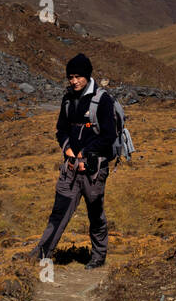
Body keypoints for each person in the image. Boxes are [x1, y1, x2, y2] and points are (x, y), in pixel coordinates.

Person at [33, 53, 116, 268]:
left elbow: (108, 136)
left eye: (78, 76)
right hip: (70, 168)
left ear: (87, 76)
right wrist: (67, 147)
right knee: (59, 211)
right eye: (71, 77)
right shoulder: (68, 99)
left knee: (95, 214)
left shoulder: (103, 100)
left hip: (94, 169)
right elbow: (61, 129)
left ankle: (98, 256)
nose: (74, 81)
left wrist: (85, 152)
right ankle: (42, 253)